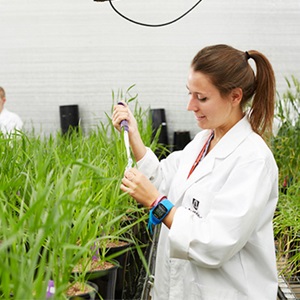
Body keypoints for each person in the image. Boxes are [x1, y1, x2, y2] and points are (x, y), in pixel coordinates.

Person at [112, 44, 278, 300]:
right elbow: (163, 178)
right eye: (189, 94)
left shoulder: (253, 160)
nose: (191, 105)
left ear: (235, 96)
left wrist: (156, 203)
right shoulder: (203, 142)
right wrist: (134, 136)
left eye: (202, 98)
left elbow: (215, 242)